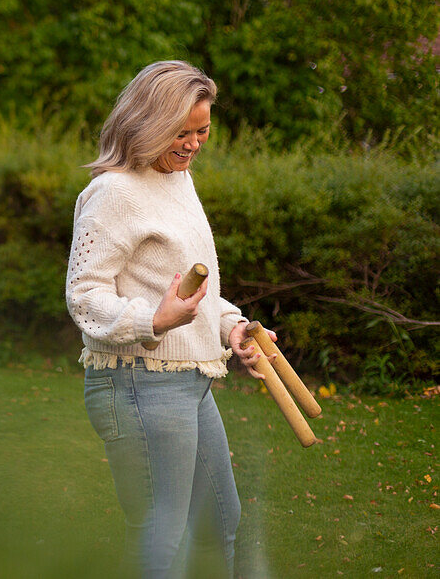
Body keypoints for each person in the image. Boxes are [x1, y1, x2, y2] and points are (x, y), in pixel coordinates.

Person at [65, 60, 276, 578]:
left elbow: (192, 291)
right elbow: (84, 296)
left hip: (190, 384)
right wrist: (151, 320)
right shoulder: (113, 192)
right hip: (137, 383)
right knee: (167, 533)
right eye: (181, 131)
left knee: (220, 521)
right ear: (147, 123)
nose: (193, 143)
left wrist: (233, 327)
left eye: (202, 130)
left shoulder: (178, 181)